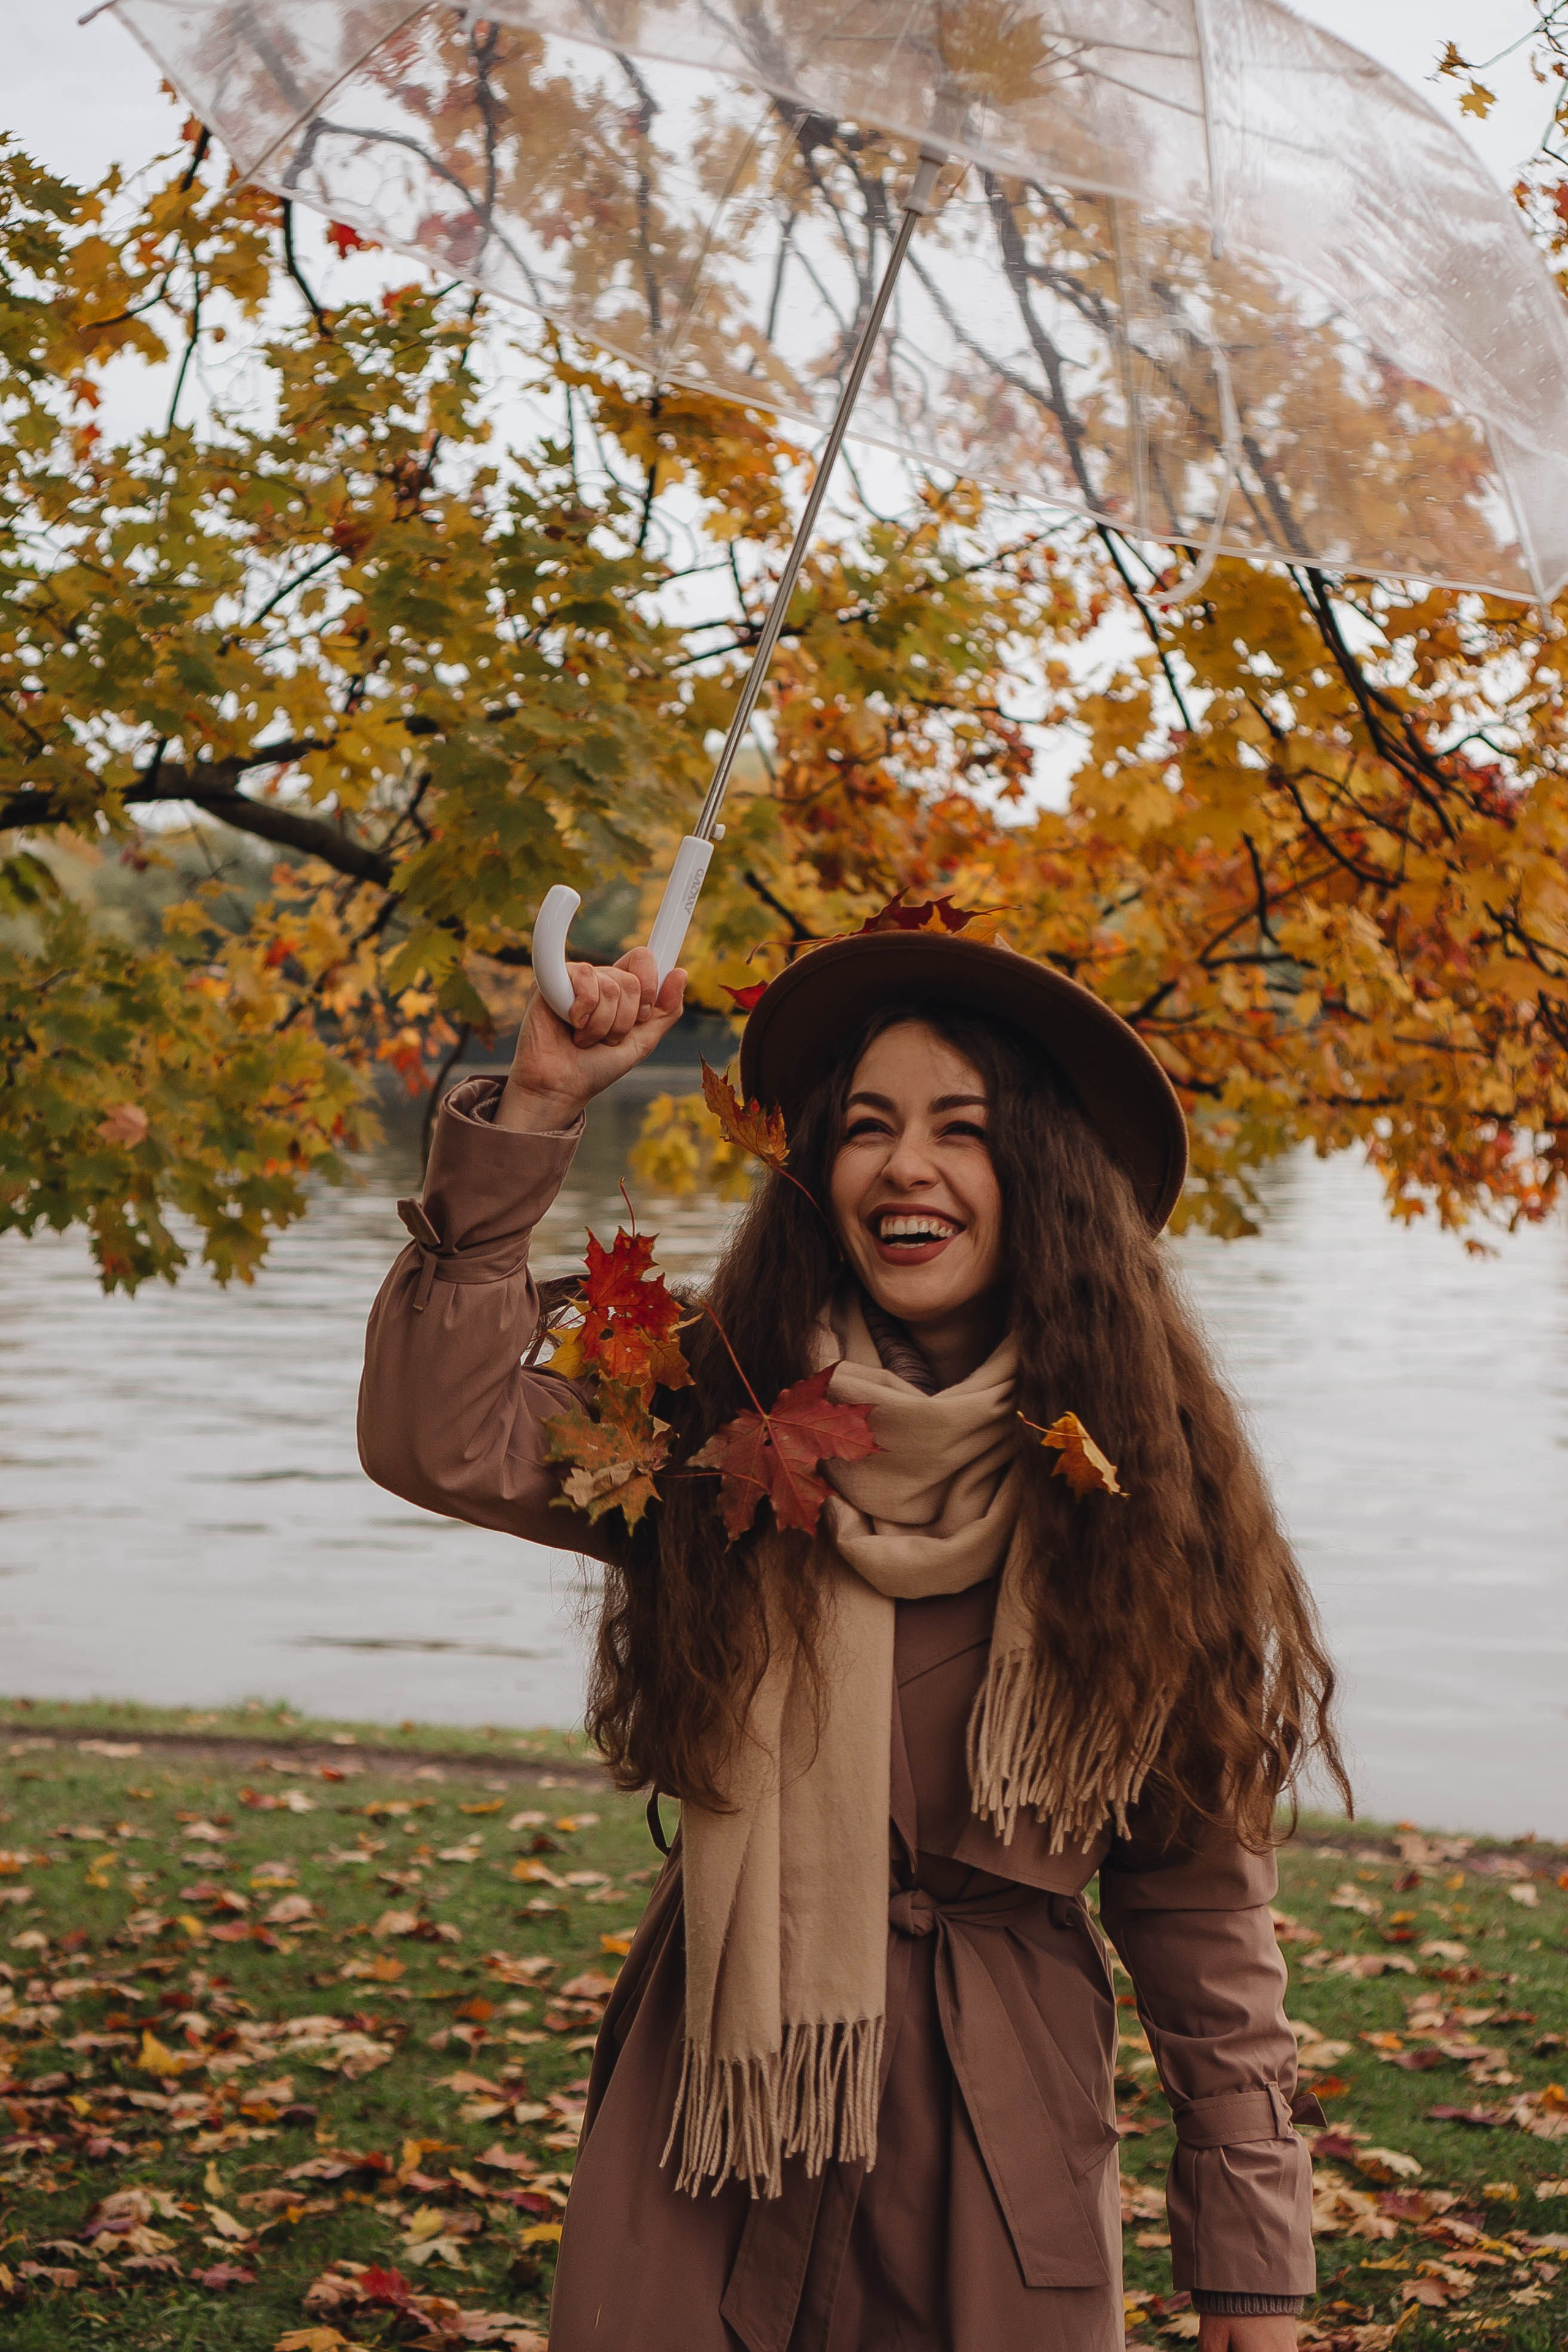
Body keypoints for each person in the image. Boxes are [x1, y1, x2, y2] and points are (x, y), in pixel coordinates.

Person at [359, 925, 1349, 2352]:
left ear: (1046, 1177)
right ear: (817, 1172)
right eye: (867, 1127)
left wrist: (1250, 2276)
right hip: (710, 2115)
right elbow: (434, 1434)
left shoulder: (1137, 1496)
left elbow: (1199, 1911)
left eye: (964, 1130)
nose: (904, 1167)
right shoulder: (716, 1412)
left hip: (996, 2150)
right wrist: (541, 1106)